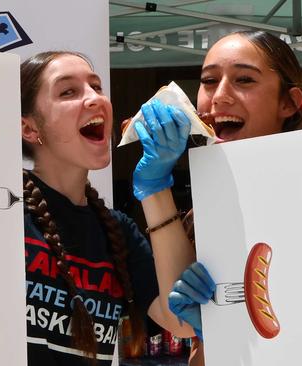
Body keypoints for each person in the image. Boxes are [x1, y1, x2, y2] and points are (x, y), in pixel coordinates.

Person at [139, 30, 302, 366]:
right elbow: (179, 326)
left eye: (244, 80)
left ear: (288, 102)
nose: (219, 96)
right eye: (208, 81)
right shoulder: (206, 212)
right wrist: (154, 188)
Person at [19, 51, 196, 365]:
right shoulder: (1, 210)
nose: (94, 98)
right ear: (30, 129)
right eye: (68, 92)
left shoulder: (117, 231)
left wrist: (155, 189)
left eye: (96, 87)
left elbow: (181, 322)